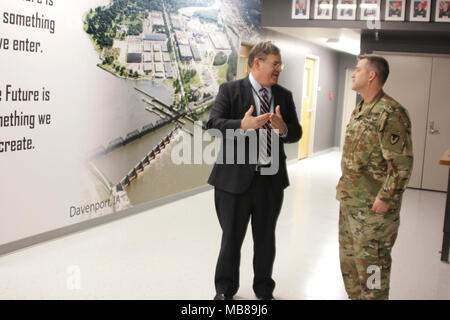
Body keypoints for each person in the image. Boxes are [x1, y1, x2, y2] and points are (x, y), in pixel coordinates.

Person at [207, 41, 302, 300]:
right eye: (275, 64)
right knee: (231, 240)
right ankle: (225, 290)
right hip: (233, 182)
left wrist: (283, 128)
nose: (279, 69)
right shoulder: (230, 90)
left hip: (270, 182)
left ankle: (264, 291)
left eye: (280, 64)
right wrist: (242, 125)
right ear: (257, 63)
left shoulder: (284, 95)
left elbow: (296, 133)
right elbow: (213, 125)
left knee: (265, 241)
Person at [336, 54, 413, 300]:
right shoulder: (360, 109)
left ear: (372, 76)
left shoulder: (391, 113)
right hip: (351, 205)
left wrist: (386, 198)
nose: (353, 73)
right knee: (350, 268)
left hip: (374, 213)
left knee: (372, 271)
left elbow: (401, 165)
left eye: (357, 70)